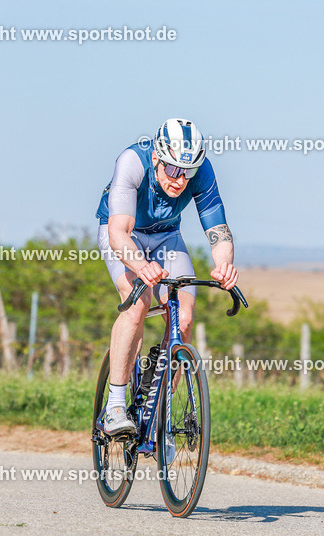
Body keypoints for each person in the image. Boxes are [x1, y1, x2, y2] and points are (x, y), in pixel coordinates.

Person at [96, 117, 239, 435]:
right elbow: (119, 233)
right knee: (138, 303)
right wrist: (139, 266)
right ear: (158, 157)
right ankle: (116, 405)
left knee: (184, 319)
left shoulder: (200, 171)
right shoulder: (133, 161)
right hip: (123, 233)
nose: (180, 179)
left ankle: (159, 409)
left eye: (187, 172)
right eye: (173, 169)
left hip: (165, 237)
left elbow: (218, 230)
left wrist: (224, 264)